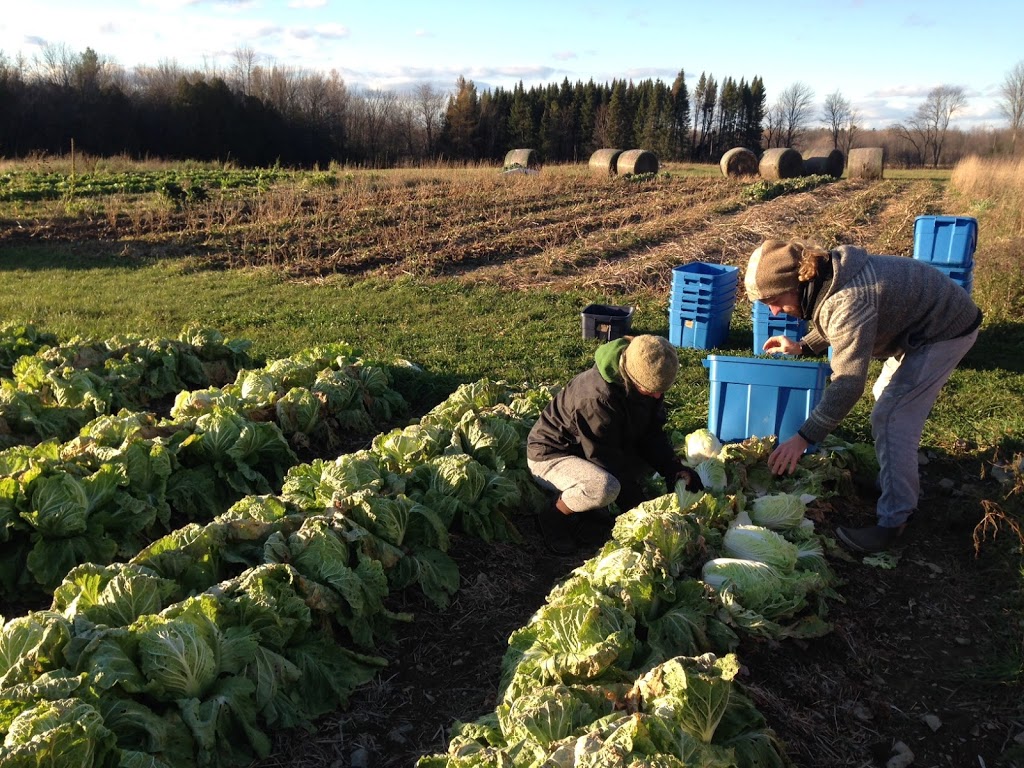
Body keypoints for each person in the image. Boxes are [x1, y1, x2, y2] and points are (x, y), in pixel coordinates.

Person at [744, 239, 983, 554]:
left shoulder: (847, 300)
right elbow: (839, 322)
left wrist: (803, 437)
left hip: (944, 330)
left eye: (774, 300)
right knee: (885, 396)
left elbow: (847, 382)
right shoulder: (829, 278)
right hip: (918, 325)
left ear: (798, 285)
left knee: (892, 417)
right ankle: (894, 484)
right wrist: (803, 345)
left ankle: (893, 523)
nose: (773, 310)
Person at [526, 334, 703, 554]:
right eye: (651, 390)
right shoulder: (596, 398)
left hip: (594, 448)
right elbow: (603, 459)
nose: (658, 395)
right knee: (604, 487)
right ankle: (553, 516)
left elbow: (651, 433)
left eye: (661, 391)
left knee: (641, 468)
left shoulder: (645, 378)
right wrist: (638, 509)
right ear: (632, 376)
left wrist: (673, 468)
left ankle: (585, 512)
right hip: (553, 456)